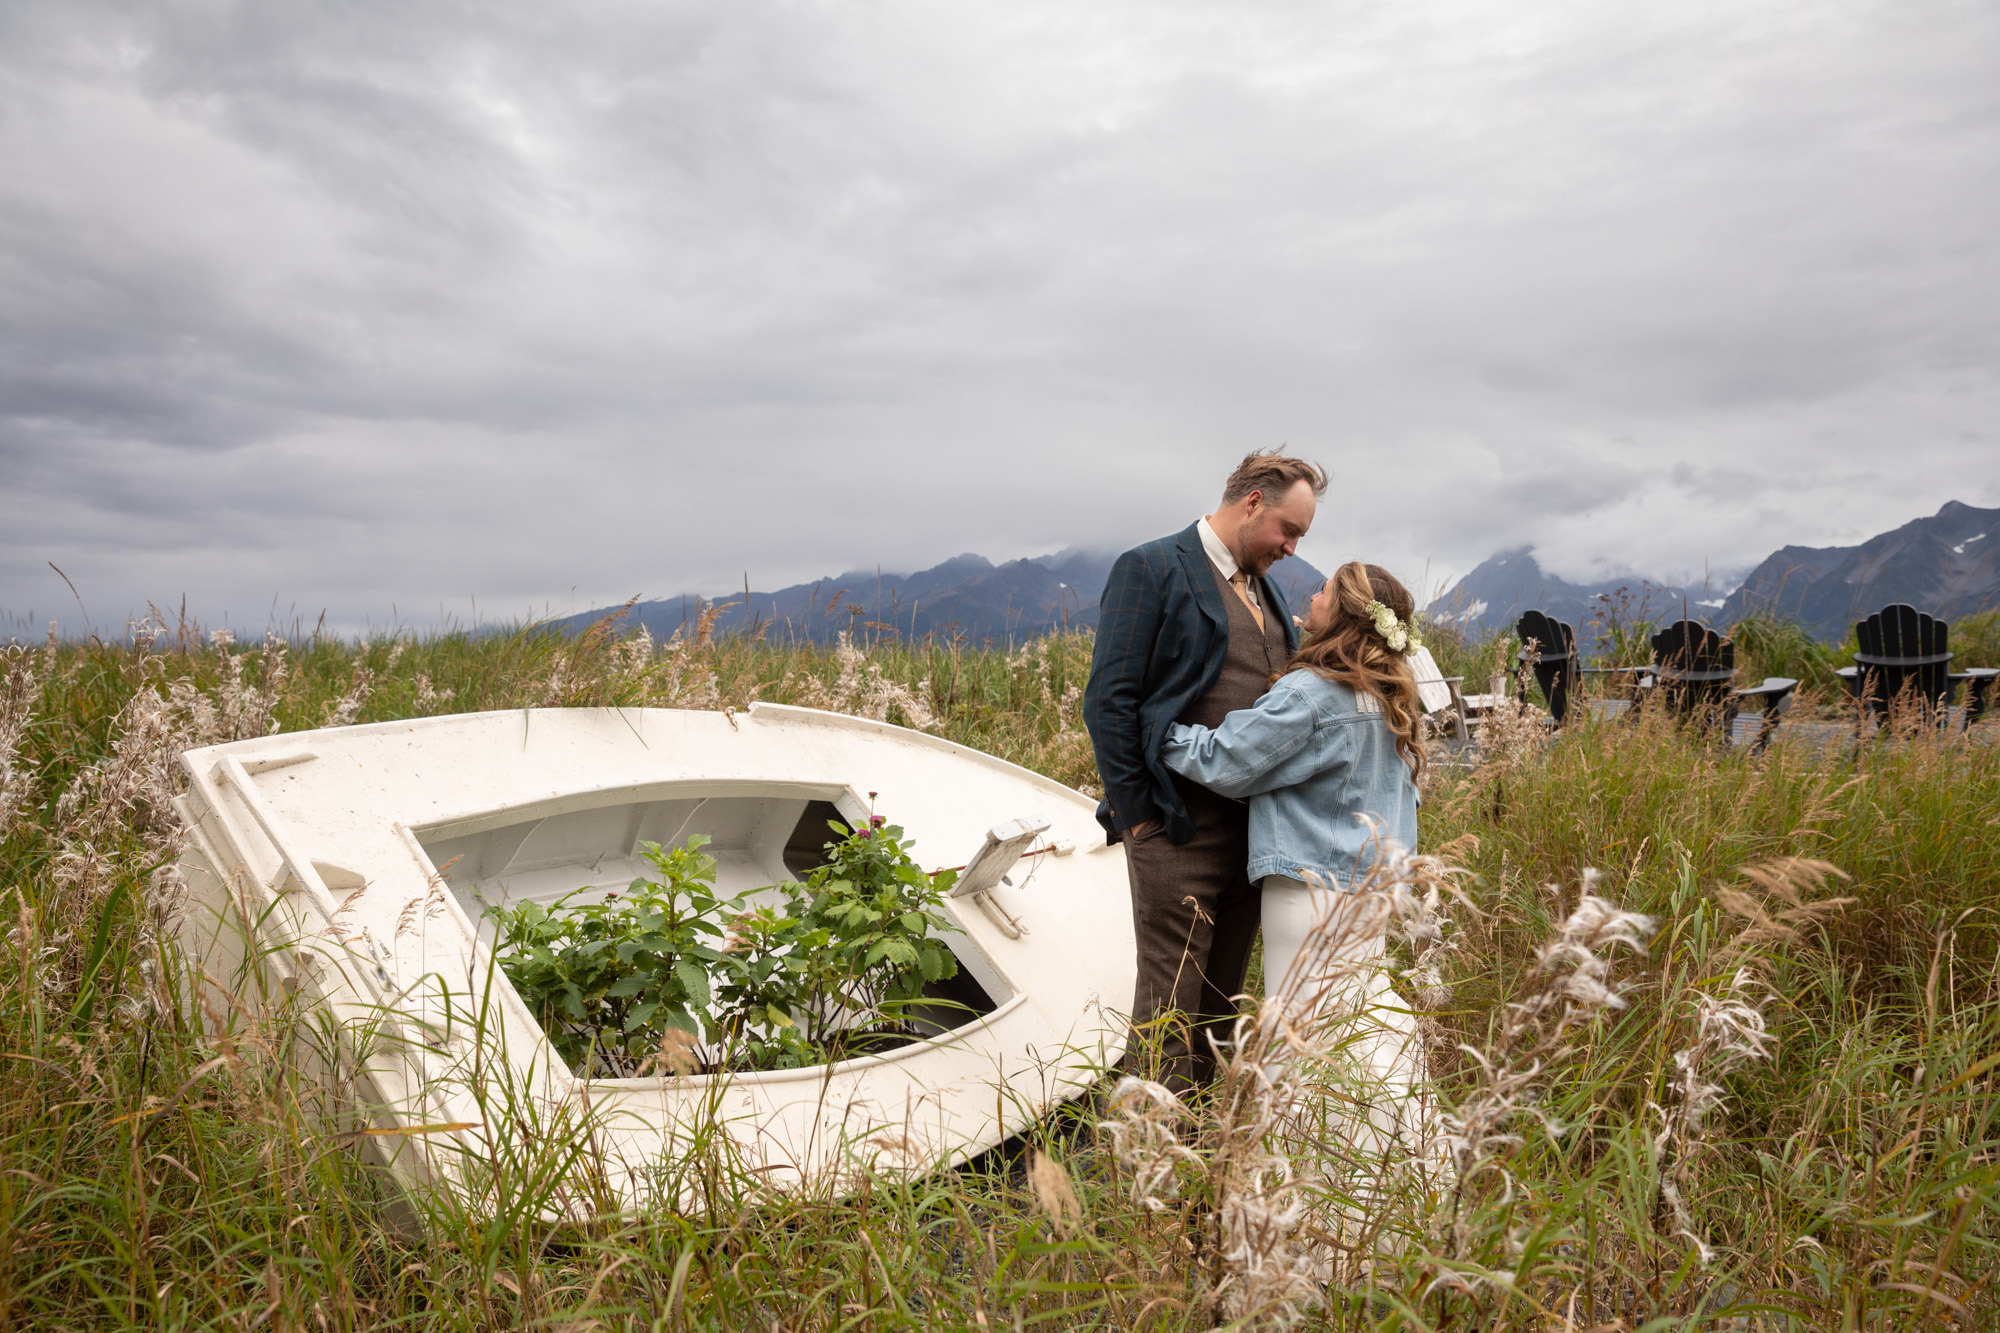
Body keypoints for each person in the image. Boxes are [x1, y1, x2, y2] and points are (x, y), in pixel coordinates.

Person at [1082, 450, 1327, 1093]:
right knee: (1168, 1004)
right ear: (1252, 504)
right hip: (1175, 829)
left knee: (1220, 1004)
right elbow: (1109, 700)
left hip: (1256, 832)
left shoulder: (1266, 587)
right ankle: (1146, 1165)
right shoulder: (1151, 567)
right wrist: (1139, 818)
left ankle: (1200, 1158)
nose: (1293, 548)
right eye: (1289, 531)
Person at [1157, 560, 1427, 1143]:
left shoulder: (1316, 692)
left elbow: (1226, 760)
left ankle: (1309, 1188)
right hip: (1371, 892)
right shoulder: (1389, 696)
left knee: (1302, 1035)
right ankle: (1393, 1164)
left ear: (1347, 611)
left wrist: (1158, 731)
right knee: (1356, 1026)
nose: (1313, 592)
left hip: (1313, 891)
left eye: (1325, 588)